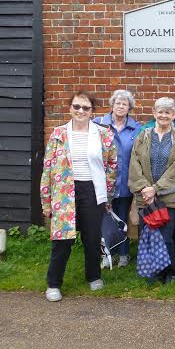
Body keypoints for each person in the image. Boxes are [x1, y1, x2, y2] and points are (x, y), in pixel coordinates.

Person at [41, 91, 118, 302]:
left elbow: (112, 166)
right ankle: (53, 284)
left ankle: (93, 276)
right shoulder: (58, 134)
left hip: (92, 190)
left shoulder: (103, 134)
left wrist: (107, 195)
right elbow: (47, 169)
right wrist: (46, 201)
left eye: (85, 107)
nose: (80, 111)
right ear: (70, 108)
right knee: (63, 240)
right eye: (76, 106)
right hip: (64, 192)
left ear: (92, 111)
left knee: (92, 237)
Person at [128, 97, 175, 284]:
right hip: (145, 197)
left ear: (174, 115)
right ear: (154, 113)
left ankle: (169, 272)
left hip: (170, 197)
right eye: (160, 112)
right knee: (147, 235)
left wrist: (155, 189)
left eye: (167, 112)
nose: (163, 115)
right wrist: (144, 189)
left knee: (165, 237)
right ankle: (152, 272)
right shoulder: (143, 136)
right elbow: (134, 164)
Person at [94, 89, 142, 267]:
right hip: (103, 181)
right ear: (112, 105)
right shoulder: (98, 124)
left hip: (125, 182)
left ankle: (123, 254)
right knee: (105, 218)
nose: (121, 106)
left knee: (122, 217)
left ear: (129, 108)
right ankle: (107, 254)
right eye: (118, 103)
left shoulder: (137, 128)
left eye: (125, 104)